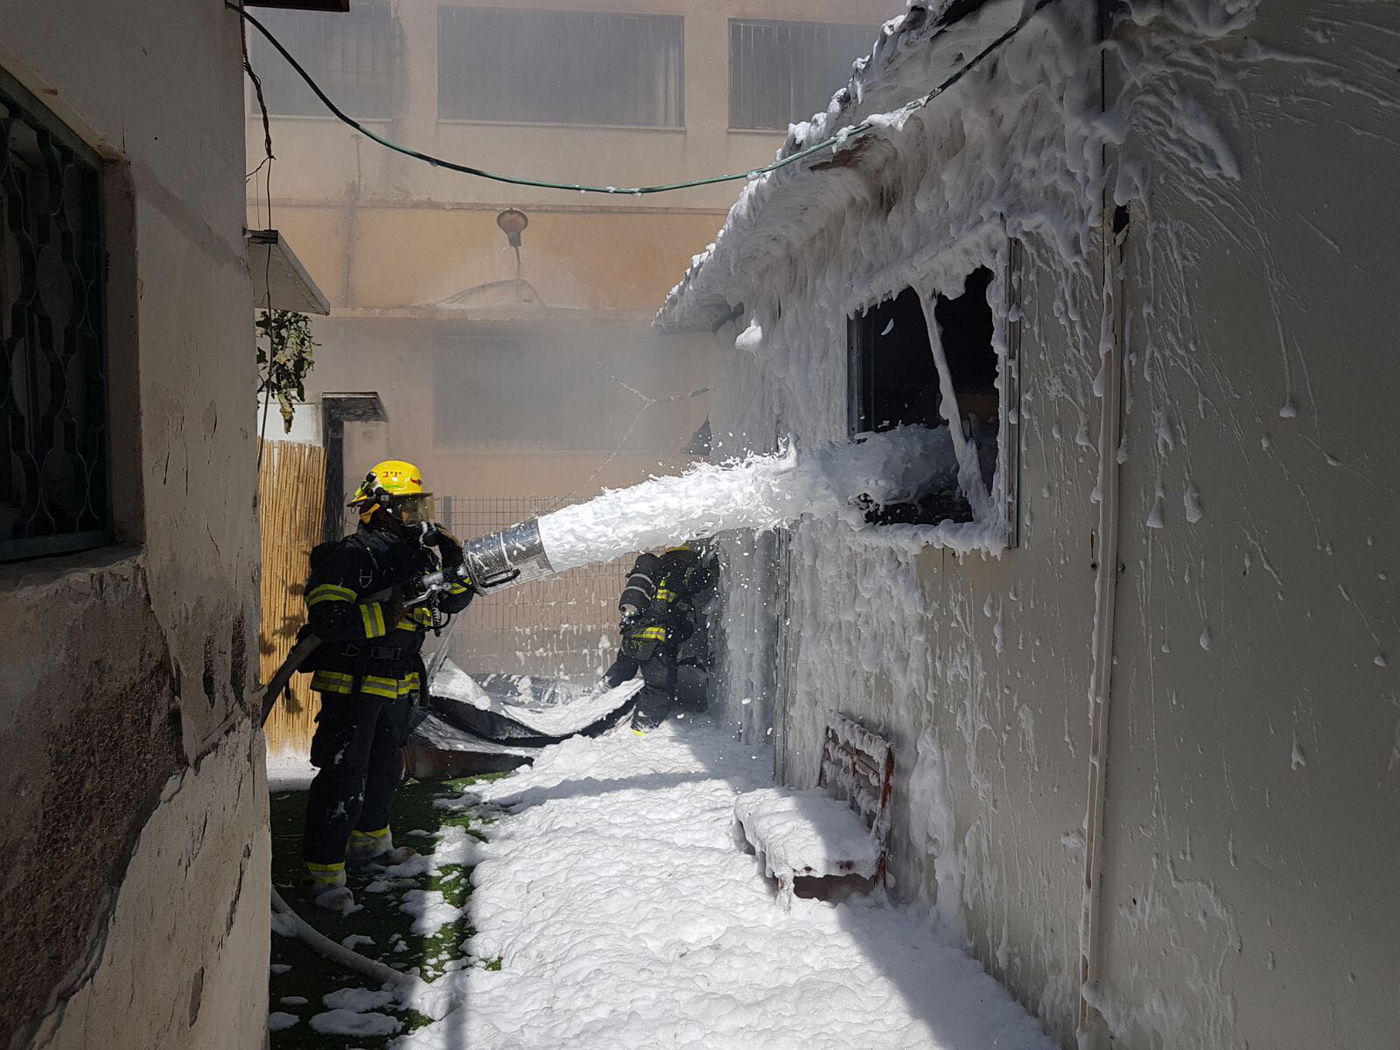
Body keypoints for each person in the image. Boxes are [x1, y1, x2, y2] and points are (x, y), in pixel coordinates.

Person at [299, 459, 476, 910]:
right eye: (406, 507)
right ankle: (324, 876)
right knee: (344, 776)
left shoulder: (415, 556)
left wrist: (455, 563)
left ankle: (371, 848)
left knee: (383, 770)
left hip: (395, 680)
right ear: (378, 508)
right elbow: (329, 620)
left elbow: (452, 600)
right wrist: (388, 613)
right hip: (353, 682)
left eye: (419, 506)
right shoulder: (350, 556)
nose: (415, 516)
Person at [604, 542, 716, 732]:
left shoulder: (657, 570)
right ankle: (640, 730)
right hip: (657, 640)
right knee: (659, 689)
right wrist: (713, 567)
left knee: (619, 676)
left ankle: (597, 703)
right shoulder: (685, 569)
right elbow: (703, 579)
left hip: (632, 636)